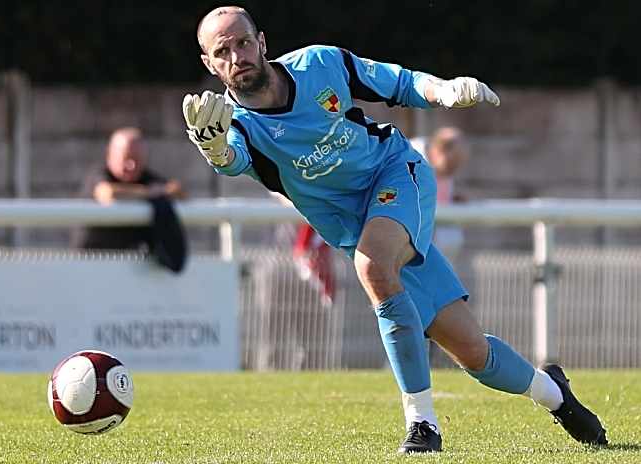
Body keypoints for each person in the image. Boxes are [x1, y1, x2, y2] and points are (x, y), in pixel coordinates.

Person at [184, 6, 607, 453]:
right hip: (354, 225)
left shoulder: (320, 64)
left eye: (243, 42)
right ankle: (557, 395)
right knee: (473, 353)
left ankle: (422, 424)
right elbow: (232, 162)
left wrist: (442, 90)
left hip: (395, 174)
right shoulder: (236, 127)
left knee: (373, 265)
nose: (237, 55)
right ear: (210, 64)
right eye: (222, 50)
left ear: (263, 42)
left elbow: (400, 83)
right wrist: (213, 150)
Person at [71, 127, 189, 273]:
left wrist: (160, 192)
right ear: (109, 154)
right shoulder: (99, 174)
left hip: (127, 271)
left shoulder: (144, 177)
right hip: (89, 267)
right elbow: (109, 194)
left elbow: (179, 192)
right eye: (126, 158)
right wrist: (149, 193)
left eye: (138, 160)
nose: (131, 166)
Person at [412, 127, 470, 263]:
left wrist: (453, 197)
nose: (452, 171)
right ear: (436, 152)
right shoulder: (412, 160)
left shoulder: (442, 168)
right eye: (451, 165)